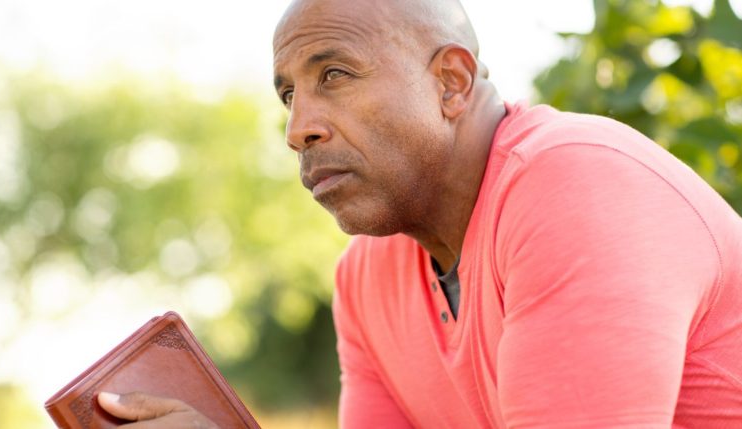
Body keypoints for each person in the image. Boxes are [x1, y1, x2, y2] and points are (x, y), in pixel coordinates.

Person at [97, 0, 742, 427]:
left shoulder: (579, 187)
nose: (297, 129)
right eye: (289, 94)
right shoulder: (366, 278)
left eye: (336, 75)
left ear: (452, 83)